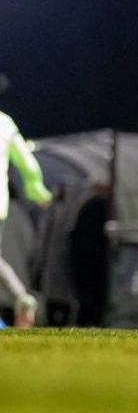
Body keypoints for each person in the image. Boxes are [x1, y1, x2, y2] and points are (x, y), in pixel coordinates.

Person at [1, 107, 53, 327]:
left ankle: (21, 298)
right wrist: (36, 189)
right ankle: (22, 299)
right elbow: (27, 162)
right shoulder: (5, 123)